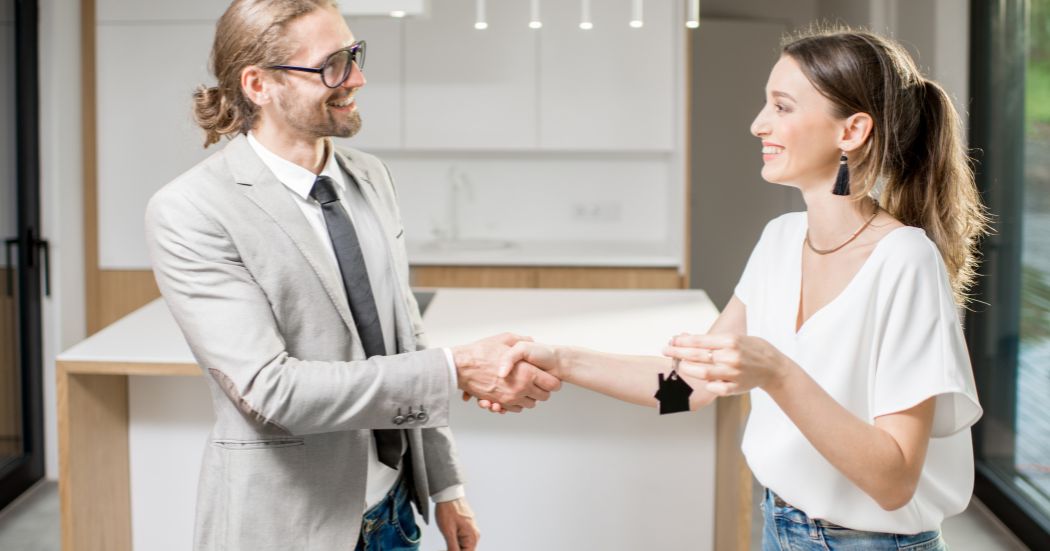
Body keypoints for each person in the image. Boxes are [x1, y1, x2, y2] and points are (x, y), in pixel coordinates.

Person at [494, 28, 989, 550]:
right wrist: (560, 360)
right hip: (780, 526)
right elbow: (689, 389)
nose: (758, 124)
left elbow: (893, 481)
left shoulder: (905, 260)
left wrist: (776, 373)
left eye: (782, 106)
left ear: (852, 131)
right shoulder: (779, 241)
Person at [145, 1, 560, 549]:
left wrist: (445, 484)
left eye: (354, 55)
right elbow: (273, 393)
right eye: (332, 64)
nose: (357, 78)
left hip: (393, 511)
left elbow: (405, 337)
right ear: (258, 84)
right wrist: (455, 370)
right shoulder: (192, 209)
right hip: (290, 522)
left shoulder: (370, 176)